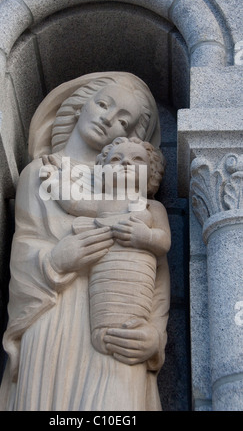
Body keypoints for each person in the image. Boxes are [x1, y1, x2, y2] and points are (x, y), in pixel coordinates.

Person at [0, 72, 170, 411]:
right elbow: (24, 250)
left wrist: (155, 335)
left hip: (120, 316)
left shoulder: (137, 196)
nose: (108, 119)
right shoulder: (42, 173)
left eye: (123, 121)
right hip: (52, 314)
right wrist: (58, 259)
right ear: (79, 106)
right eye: (103, 104)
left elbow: (157, 272)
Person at [42, 136, 171, 356]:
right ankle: (103, 332)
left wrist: (146, 237)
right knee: (106, 312)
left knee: (133, 313)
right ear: (102, 172)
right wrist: (55, 179)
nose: (125, 163)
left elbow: (164, 241)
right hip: (106, 273)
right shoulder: (102, 203)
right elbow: (72, 202)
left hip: (138, 275)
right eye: (116, 159)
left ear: (151, 173)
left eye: (137, 159)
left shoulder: (153, 207)